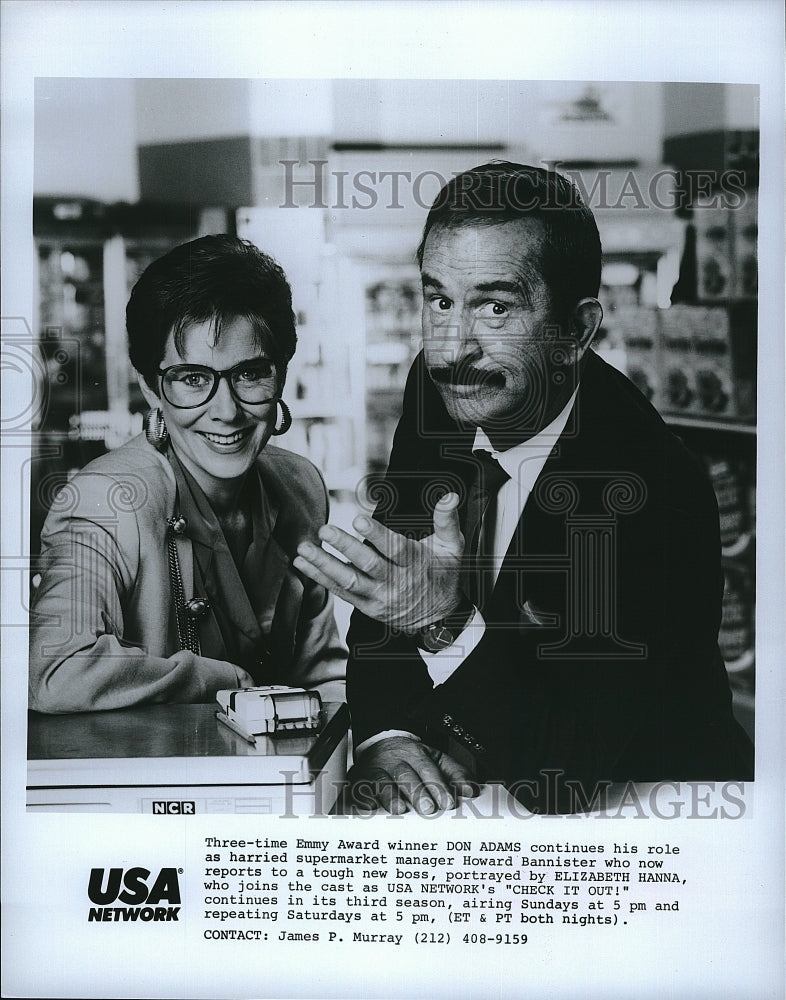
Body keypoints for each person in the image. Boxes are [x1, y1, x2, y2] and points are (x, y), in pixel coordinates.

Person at [294, 162, 753, 814]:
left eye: (495, 307)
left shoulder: (648, 486)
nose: (452, 347)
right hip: (484, 793)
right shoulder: (438, 390)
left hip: (654, 821)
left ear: (576, 331)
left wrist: (442, 620)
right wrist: (386, 730)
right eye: (439, 300)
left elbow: (567, 773)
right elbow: (392, 591)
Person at [29, 235, 346, 712]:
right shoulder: (107, 498)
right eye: (194, 378)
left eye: (249, 374)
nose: (226, 411)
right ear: (152, 388)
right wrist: (220, 681)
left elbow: (326, 677)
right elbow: (53, 670)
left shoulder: (300, 486)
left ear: (280, 375)